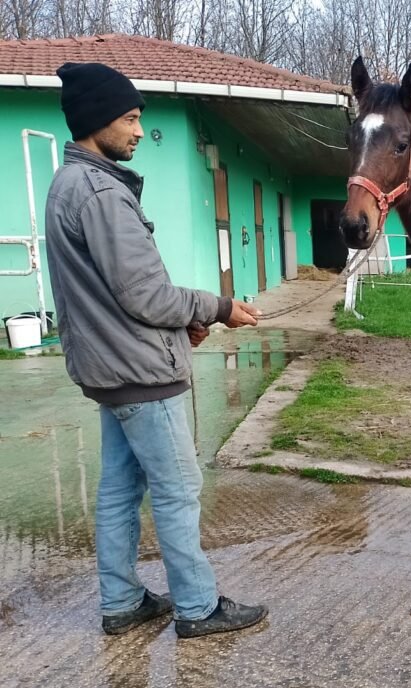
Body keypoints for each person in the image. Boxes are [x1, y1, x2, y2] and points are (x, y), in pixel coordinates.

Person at [45, 62, 268, 639]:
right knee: (178, 491)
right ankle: (197, 607)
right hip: (140, 376)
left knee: (120, 489)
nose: (140, 131)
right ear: (97, 120)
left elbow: (113, 294)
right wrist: (216, 306)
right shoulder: (101, 193)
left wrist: (181, 325)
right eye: (129, 118)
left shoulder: (69, 184)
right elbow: (144, 294)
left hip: (113, 369)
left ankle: (121, 601)